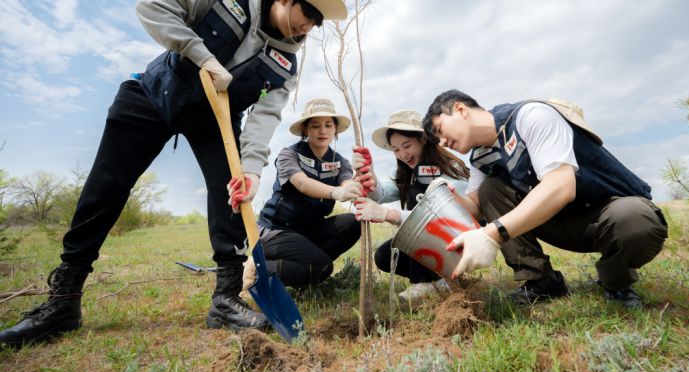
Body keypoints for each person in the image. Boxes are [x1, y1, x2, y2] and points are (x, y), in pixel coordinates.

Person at [0, 0, 347, 348]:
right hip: (156, 92)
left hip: (215, 121)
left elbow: (263, 119)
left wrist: (250, 171)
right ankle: (64, 300)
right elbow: (152, 7)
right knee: (105, 188)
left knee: (231, 197)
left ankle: (225, 300)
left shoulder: (286, 66)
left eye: (316, 23)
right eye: (306, 14)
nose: (307, 27)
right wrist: (202, 55)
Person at [422, 90, 668, 308]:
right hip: (558, 222)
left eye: (440, 130)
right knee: (490, 189)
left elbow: (561, 186)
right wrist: (450, 196)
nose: (442, 142)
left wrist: (491, 234)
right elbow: (477, 206)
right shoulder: (480, 158)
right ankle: (541, 281)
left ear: (460, 109)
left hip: (606, 213)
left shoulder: (531, 116)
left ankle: (616, 282)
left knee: (636, 220)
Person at [352, 110, 471, 303]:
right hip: (434, 242)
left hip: (458, 240)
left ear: (423, 139)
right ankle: (439, 282)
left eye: (407, 146)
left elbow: (442, 217)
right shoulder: (405, 171)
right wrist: (369, 173)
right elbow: (381, 194)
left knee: (417, 194)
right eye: (396, 150)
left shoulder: (450, 169)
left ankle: (423, 282)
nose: (402, 154)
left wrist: (389, 214)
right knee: (384, 256)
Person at [252, 98, 363, 287]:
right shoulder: (289, 155)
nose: (322, 131)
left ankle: (308, 270)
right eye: (315, 126)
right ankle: (255, 269)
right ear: (305, 129)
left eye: (328, 125)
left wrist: (359, 177)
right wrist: (336, 192)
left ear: (335, 129)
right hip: (276, 230)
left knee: (353, 223)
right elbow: (303, 183)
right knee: (321, 267)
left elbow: (347, 184)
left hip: (308, 230)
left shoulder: (340, 162)